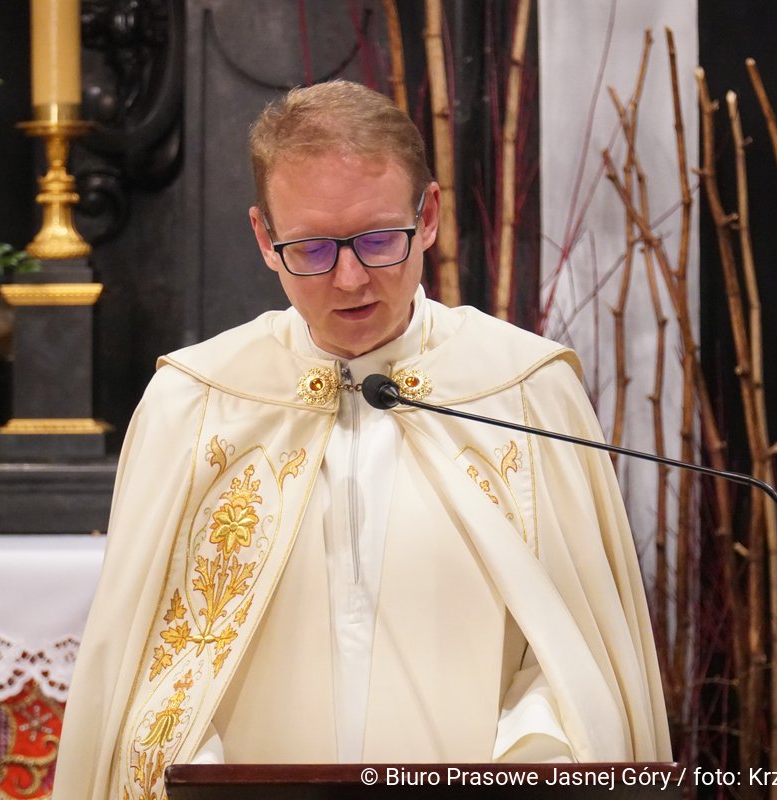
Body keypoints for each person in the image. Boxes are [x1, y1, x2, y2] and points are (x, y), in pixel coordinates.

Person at [52, 80, 670, 800]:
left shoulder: (525, 392)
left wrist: (521, 775)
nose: (349, 280)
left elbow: (571, 665)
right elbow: (153, 674)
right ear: (264, 239)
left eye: (378, 241)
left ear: (427, 216)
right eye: (312, 248)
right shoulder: (195, 405)